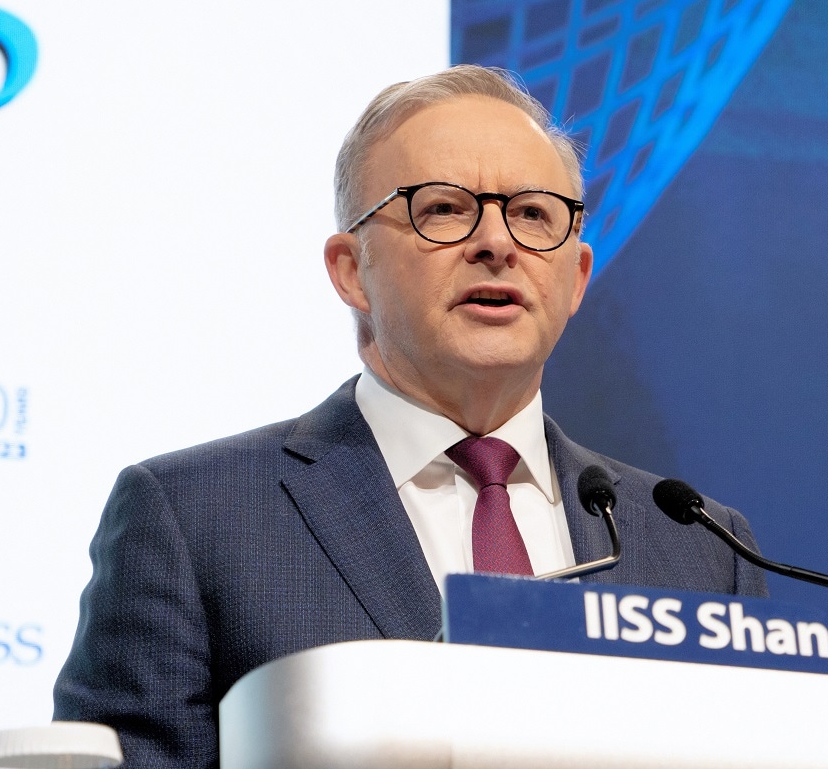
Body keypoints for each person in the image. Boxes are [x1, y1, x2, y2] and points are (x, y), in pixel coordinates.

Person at [53, 65, 768, 768]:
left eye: (532, 214)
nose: (498, 243)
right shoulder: (194, 517)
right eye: (445, 208)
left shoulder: (700, 549)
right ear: (350, 269)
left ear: (575, 276)